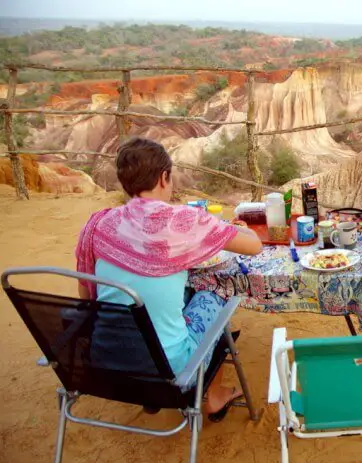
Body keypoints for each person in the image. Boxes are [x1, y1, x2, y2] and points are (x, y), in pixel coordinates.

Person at [75, 137, 262, 421]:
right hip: (170, 366)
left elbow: (87, 297)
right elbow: (254, 245)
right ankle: (212, 398)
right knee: (216, 293)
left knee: (172, 294)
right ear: (164, 177)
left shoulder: (99, 224)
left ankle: (149, 397)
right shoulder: (183, 222)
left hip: (109, 359)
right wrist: (229, 228)